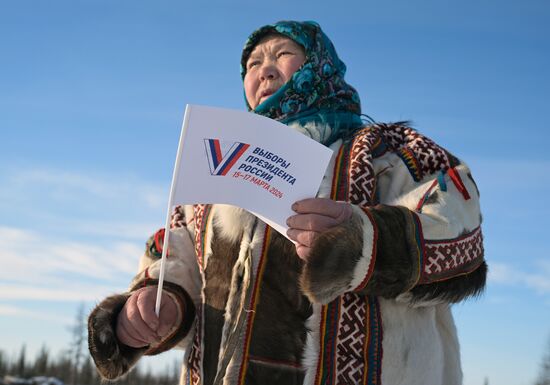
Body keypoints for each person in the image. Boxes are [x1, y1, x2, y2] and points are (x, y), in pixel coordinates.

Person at [88, 21, 486, 385]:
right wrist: (154, 308)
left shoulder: (385, 154)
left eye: (282, 54)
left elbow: (459, 228)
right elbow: (179, 261)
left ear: (319, 65)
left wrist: (362, 241)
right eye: (253, 63)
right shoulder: (214, 174)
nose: (265, 69)